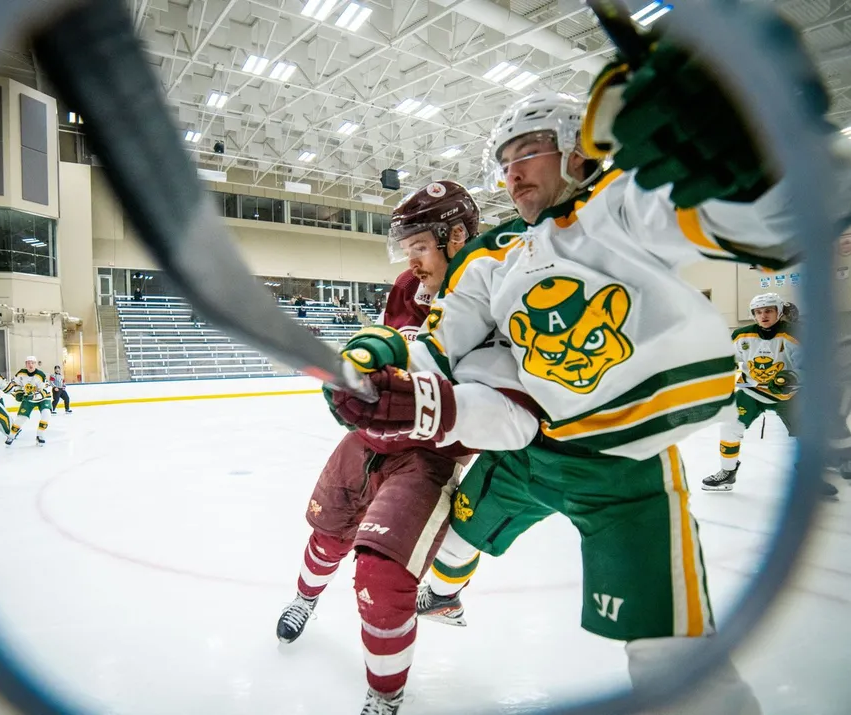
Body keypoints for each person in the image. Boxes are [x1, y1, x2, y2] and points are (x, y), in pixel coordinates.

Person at [325, 33, 830, 708]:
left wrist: (750, 164)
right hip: (531, 453)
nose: (512, 171)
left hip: (627, 463)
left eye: (526, 149)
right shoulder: (492, 257)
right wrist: (384, 355)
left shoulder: (624, 205)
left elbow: (763, 223)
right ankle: (444, 592)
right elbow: (441, 343)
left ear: (573, 147)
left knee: (673, 657)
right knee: (458, 537)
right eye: (503, 161)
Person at [276, 182, 509, 715]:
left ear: (457, 236)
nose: (413, 262)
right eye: (408, 251)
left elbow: (492, 397)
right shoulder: (408, 285)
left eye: (422, 247)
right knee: (327, 533)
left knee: (381, 577)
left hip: (429, 456)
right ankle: (304, 599)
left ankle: (385, 696)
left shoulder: (498, 294)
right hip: (367, 440)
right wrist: (356, 378)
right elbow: (392, 347)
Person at [702, 293, 836, 497]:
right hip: (751, 392)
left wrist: (790, 378)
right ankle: (728, 472)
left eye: (768, 311)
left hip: (789, 395)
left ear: (778, 312)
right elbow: (727, 360)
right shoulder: (741, 335)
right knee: (730, 426)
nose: (763, 315)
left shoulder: (794, 334)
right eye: (758, 312)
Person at [4, 355, 52, 446]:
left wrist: (33, 396)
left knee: (46, 414)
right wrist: (18, 392)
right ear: (25, 364)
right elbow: (15, 384)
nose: (30, 365)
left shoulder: (40, 375)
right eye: (28, 363)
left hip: (43, 398)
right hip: (28, 397)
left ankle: (40, 435)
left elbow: (45, 391)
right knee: (21, 418)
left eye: (32, 363)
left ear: (35, 364)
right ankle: (11, 436)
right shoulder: (20, 373)